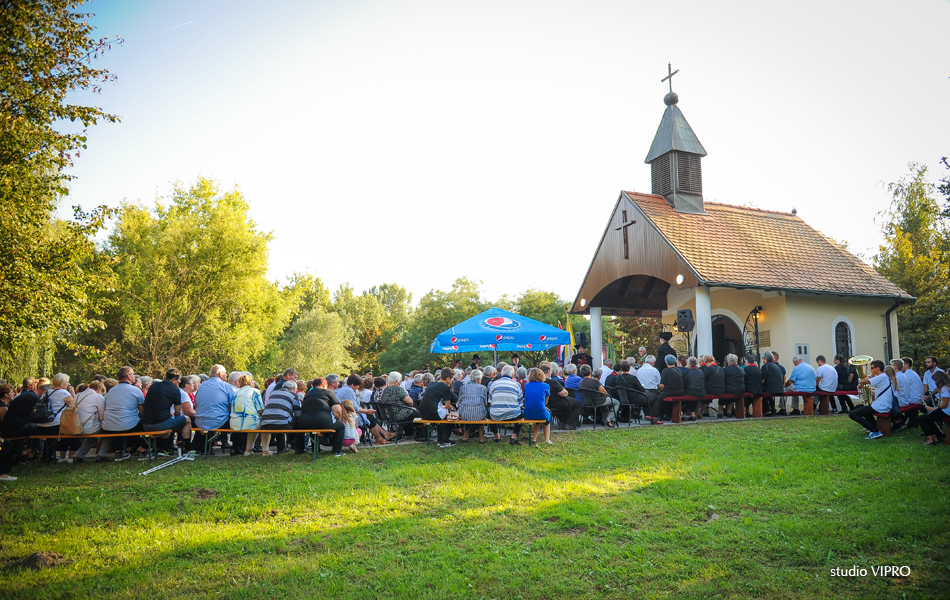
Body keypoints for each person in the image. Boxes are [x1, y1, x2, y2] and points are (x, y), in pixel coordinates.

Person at [100, 366, 147, 461]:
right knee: (144, 424)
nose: (134, 376)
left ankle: (119, 451)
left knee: (120, 421)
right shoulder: (135, 390)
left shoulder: (111, 391)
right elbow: (142, 411)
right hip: (127, 425)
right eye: (133, 374)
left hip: (108, 425)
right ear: (128, 376)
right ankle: (143, 450)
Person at [142, 369, 192, 454]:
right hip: (161, 425)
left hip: (146, 424)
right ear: (173, 380)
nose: (180, 382)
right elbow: (178, 411)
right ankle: (187, 448)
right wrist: (175, 417)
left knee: (168, 419)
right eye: (179, 379)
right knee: (187, 420)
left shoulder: (154, 386)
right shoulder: (175, 390)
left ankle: (163, 448)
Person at [194, 364, 239, 455]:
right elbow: (235, 404)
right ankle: (237, 448)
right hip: (218, 421)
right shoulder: (226, 386)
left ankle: (202, 447)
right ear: (220, 374)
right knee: (239, 421)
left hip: (199, 421)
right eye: (225, 373)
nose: (226, 376)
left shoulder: (202, 386)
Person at [0, 381, 39, 481]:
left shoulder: (7, 405)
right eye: (11, 392)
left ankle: (18, 457)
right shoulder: (3, 407)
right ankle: (3, 472)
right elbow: (4, 423)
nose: (14, 394)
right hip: (4, 433)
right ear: (6, 395)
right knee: (7, 443)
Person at [848, 360, 896, 440]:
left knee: (852, 414)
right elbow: (865, 382)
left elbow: (863, 381)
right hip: (881, 404)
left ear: (878, 368)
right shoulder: (882, 376)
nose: (870, 370)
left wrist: (865, 379)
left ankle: (875, 431)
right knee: (859, 407)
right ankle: (874, 426)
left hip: (881, 406)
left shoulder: (881, 377)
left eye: (872, 368)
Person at [298, 377, 345, 457]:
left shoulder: (308, 393)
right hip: (323, 420)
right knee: (340, 426)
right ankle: (337, 451)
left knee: (312, 426)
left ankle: (302, 450)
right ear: (324, 385)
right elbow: (337, 410)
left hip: (304, 422)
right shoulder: (328, 392)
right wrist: (337, 418)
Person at [36, 373, 76, 463]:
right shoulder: (64, 393)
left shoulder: (46, 393)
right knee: (74, 432)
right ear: (62, 383)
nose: (69, 384)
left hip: (41, 426)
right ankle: (68, 457)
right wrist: (73, 393)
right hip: (55, 426)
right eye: (67, 382)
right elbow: (74, 406)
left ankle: (47, 456)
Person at [259, 380, 301, 455]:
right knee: (293, 422)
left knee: (280, 419)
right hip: (282, 423)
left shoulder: (274, 393)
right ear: (293, 388)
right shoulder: (293, 394)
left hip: (265, 422)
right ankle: (297, 447)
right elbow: (298, 412)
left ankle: (277, 449)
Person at [419, 368, 459, 448]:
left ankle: (440, 439)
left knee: (443, 415)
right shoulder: (445, 387)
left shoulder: (432, 384)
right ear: (448, 378)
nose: (452, 381)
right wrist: (451, 407)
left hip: (422, 413)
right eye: (452, 379)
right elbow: (447, 406)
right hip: (433, 413)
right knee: (452, 418)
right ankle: (444, 440)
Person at [488, 365, 525, 444]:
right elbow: (520, 403)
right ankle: (514, 436)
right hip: (513, 415)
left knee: (489, 410)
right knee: (522, 413)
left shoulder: (493, 384)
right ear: (512, 374)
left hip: (496, 416)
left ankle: (497, 436)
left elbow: (490, 402)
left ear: (501, 373)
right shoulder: (516, 384)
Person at [378, 372, 421, 440]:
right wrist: (411, 406)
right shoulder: (398, 389)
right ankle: (420, 434)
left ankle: (409, 434)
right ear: (396, 381)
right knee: (418, 413)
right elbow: (410, 402)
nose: (400, 382)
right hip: (400, 414)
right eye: (400, 381)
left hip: (392, 415)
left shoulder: (386, 390)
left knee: (410, 412)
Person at [72, 381, 107, 462]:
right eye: (102, 392)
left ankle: (79, 456)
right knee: (109, 430)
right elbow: (102, 417)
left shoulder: (78, 395)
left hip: (76, 427)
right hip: (90, 428)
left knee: (94, 438)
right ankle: (102, 455)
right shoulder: (98, 397)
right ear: (100, 389)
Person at [616, 360, 660, 424]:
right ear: (630, 368)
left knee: (647, 397)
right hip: (634, 398)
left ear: (621, 368)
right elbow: (641, 389)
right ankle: (654, 417)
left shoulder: (618, 378)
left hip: (624, 399)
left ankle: (648, 415)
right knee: (654, 397)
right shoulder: (632, 378)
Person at [230, 373, 265, 456]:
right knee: (262, 424)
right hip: (250, 423)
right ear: (250, 382)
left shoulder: (235, 393)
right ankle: (250, 448)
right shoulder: (255, 392)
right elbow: (260, 410)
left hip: (234, 423)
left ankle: (246, 448)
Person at [539, 362, 579, 429]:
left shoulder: (538, 382)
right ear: (548, 371)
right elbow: (564, 394)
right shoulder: (553, 382)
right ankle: (570, 424)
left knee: (564, 405)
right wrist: (563, 389)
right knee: (578, 404)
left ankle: (562, 422)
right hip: (557, 402)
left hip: (546, 404)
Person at [919, 370, 950, 445]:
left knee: (921, 418)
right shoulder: (947, 387)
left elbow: (944, 405)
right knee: (929, 417)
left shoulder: (944, 389)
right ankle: (935, 436)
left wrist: (933, 408)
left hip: (946, 412)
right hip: (946, 410)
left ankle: (930, 439)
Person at [458, 369, 489, 442]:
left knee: (467, 410)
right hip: (479, 415)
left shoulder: (463, 387)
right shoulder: (483, 388)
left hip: (464, 415)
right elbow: (485, 403)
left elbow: (459, 401)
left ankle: (465, 436)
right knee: (480, 411)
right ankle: (482, 437)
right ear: (479, 379)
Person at [523, 368, 553, 444]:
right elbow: (546, 400)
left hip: (528, 413)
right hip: (541, 411)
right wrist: (544, 406)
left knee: (537, 418)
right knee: (547, 418)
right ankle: (547, 439)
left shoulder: (526, 385)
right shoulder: (546, 386)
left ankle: (534, 439)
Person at [658, 355, 685, 420]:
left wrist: (659, 386)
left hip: (669, 392)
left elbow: (662, 385)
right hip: (680, 392)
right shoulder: (679, 370)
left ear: (666, 362)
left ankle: (659, 415)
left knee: (660, 399)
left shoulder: (665, 371)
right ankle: (669, 414)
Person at [721, 354, 746, 418]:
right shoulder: (741, 369)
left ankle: (720, 412)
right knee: (732, 396)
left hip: (729, 389)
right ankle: (729, 412)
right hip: (741, 389)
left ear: (728, 362)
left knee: (723, 395)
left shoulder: (725, 370)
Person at [682, 357, 706, 421]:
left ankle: (684, 415)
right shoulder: (700, 371)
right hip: (700, 391)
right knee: (694, 397)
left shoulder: (687, 372)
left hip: (690, 391)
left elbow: (684, 384)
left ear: (689, 363)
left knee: (685, 396)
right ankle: (693, 414)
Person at [761, 352, 784, 416]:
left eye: (763, 358)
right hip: (780, 388)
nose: (762, 360)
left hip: (771, 389)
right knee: (767, 391)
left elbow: (763, 380)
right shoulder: (776, 366)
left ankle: (767, 410)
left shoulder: (765, 366)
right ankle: (772, 409)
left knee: (759, 392)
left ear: (765, 359)